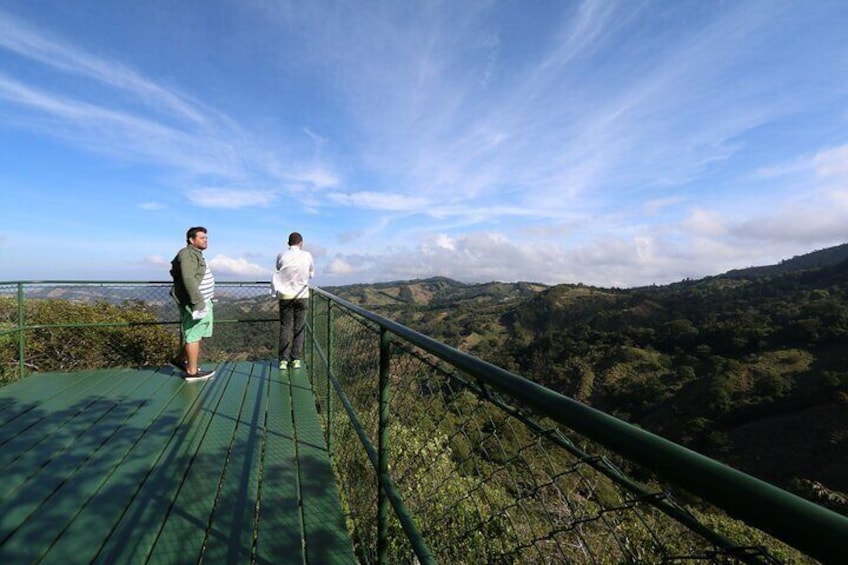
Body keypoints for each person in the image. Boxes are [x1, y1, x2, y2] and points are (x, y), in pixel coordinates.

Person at [169, 226, 216, 380]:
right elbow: (188, 279)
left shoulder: (195, 254)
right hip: (195, 302)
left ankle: (180, 360)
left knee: (197, 333)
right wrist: (197, 303)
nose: (206, 240)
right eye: (202, 237)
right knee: (193, 335)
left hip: (203, 300)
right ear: (191, 239)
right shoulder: (187, 254)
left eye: (206, 237)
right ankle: (192, 372)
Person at [272, 231, 315, 370]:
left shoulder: (281, 254)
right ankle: (295, 359)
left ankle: (283, 360)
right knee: (299, 328)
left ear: (288, 243)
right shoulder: (307, 255)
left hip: (285, 295)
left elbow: (279, 269)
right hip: (302, 295)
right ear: (301, 243)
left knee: (285, 327)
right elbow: (311, 274)